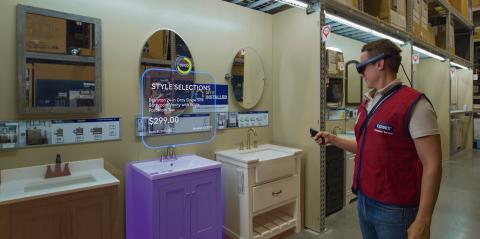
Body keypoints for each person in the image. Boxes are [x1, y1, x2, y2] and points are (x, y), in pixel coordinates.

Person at [313, 39, 442, 239]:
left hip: (395, 209)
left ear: (380, 64)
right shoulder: (368, 104)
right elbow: (368, 147)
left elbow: (432, 164)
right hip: (364, 201)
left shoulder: (415, 105)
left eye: (362, 66)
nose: (360, 73)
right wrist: (333, 139)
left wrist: (424, 219)